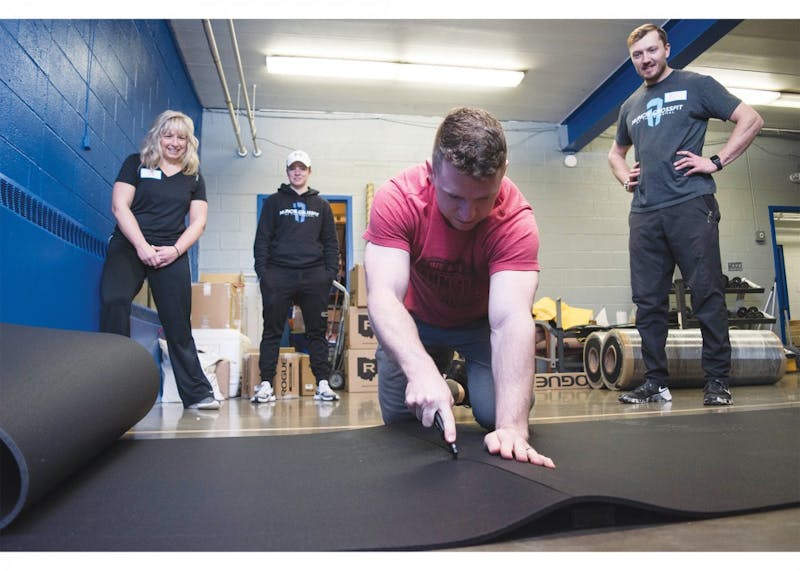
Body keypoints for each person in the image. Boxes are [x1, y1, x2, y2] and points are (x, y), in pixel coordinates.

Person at [363, 107, 555, 468]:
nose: (468, 213)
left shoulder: (516, 220)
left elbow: (512, 320)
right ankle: (446, 385)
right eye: (455, 197)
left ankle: (463, 385)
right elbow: (383, 297)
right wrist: (421, 373)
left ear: (504, 173)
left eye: (483, 198)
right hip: (416, 322)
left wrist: (513, 428)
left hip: (480, 325)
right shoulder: (398, 199)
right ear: (432, 171)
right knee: (403, 420)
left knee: (495, 415)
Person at [608, 23, 764, 406]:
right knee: (648, 302)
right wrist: (624, 175)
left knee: (707, 295)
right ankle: (655, 383)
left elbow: (751, 119)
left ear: (666, 48)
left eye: (651, 50)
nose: (645, 59)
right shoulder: (630, 105)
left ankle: (716, 381)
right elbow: (615, 153)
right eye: (637, 55)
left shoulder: (697, 85)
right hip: (645, 213)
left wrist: (716, 161)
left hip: (691, 205)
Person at [100, 110, 219, 410]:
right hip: (130, 245)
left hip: (171, 251)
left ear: (190, 142)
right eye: (168, 135)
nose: (174, 142)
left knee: (178, 322)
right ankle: (110, 388)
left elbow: (198, 222)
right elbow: (119, 206)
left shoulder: (193, 177)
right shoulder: (136, 164)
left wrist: (176, 251)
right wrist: (141, 246)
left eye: (181, 137)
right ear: (157, 136)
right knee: (114, 301)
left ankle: (197, 394)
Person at [252, 150, 340, 403]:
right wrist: (264, 274)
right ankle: (266, 384)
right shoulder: (274, 202)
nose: (298, 172)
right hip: (279, 275)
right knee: (272, 331)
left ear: (309, 171)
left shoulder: (321, 205)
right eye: (293, 168)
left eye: (302, 168)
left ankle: (323, 383)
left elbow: (331, 243)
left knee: (317, 331)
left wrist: (328, 274)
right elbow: (262, 240)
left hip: (314, 276)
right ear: (287, 172)